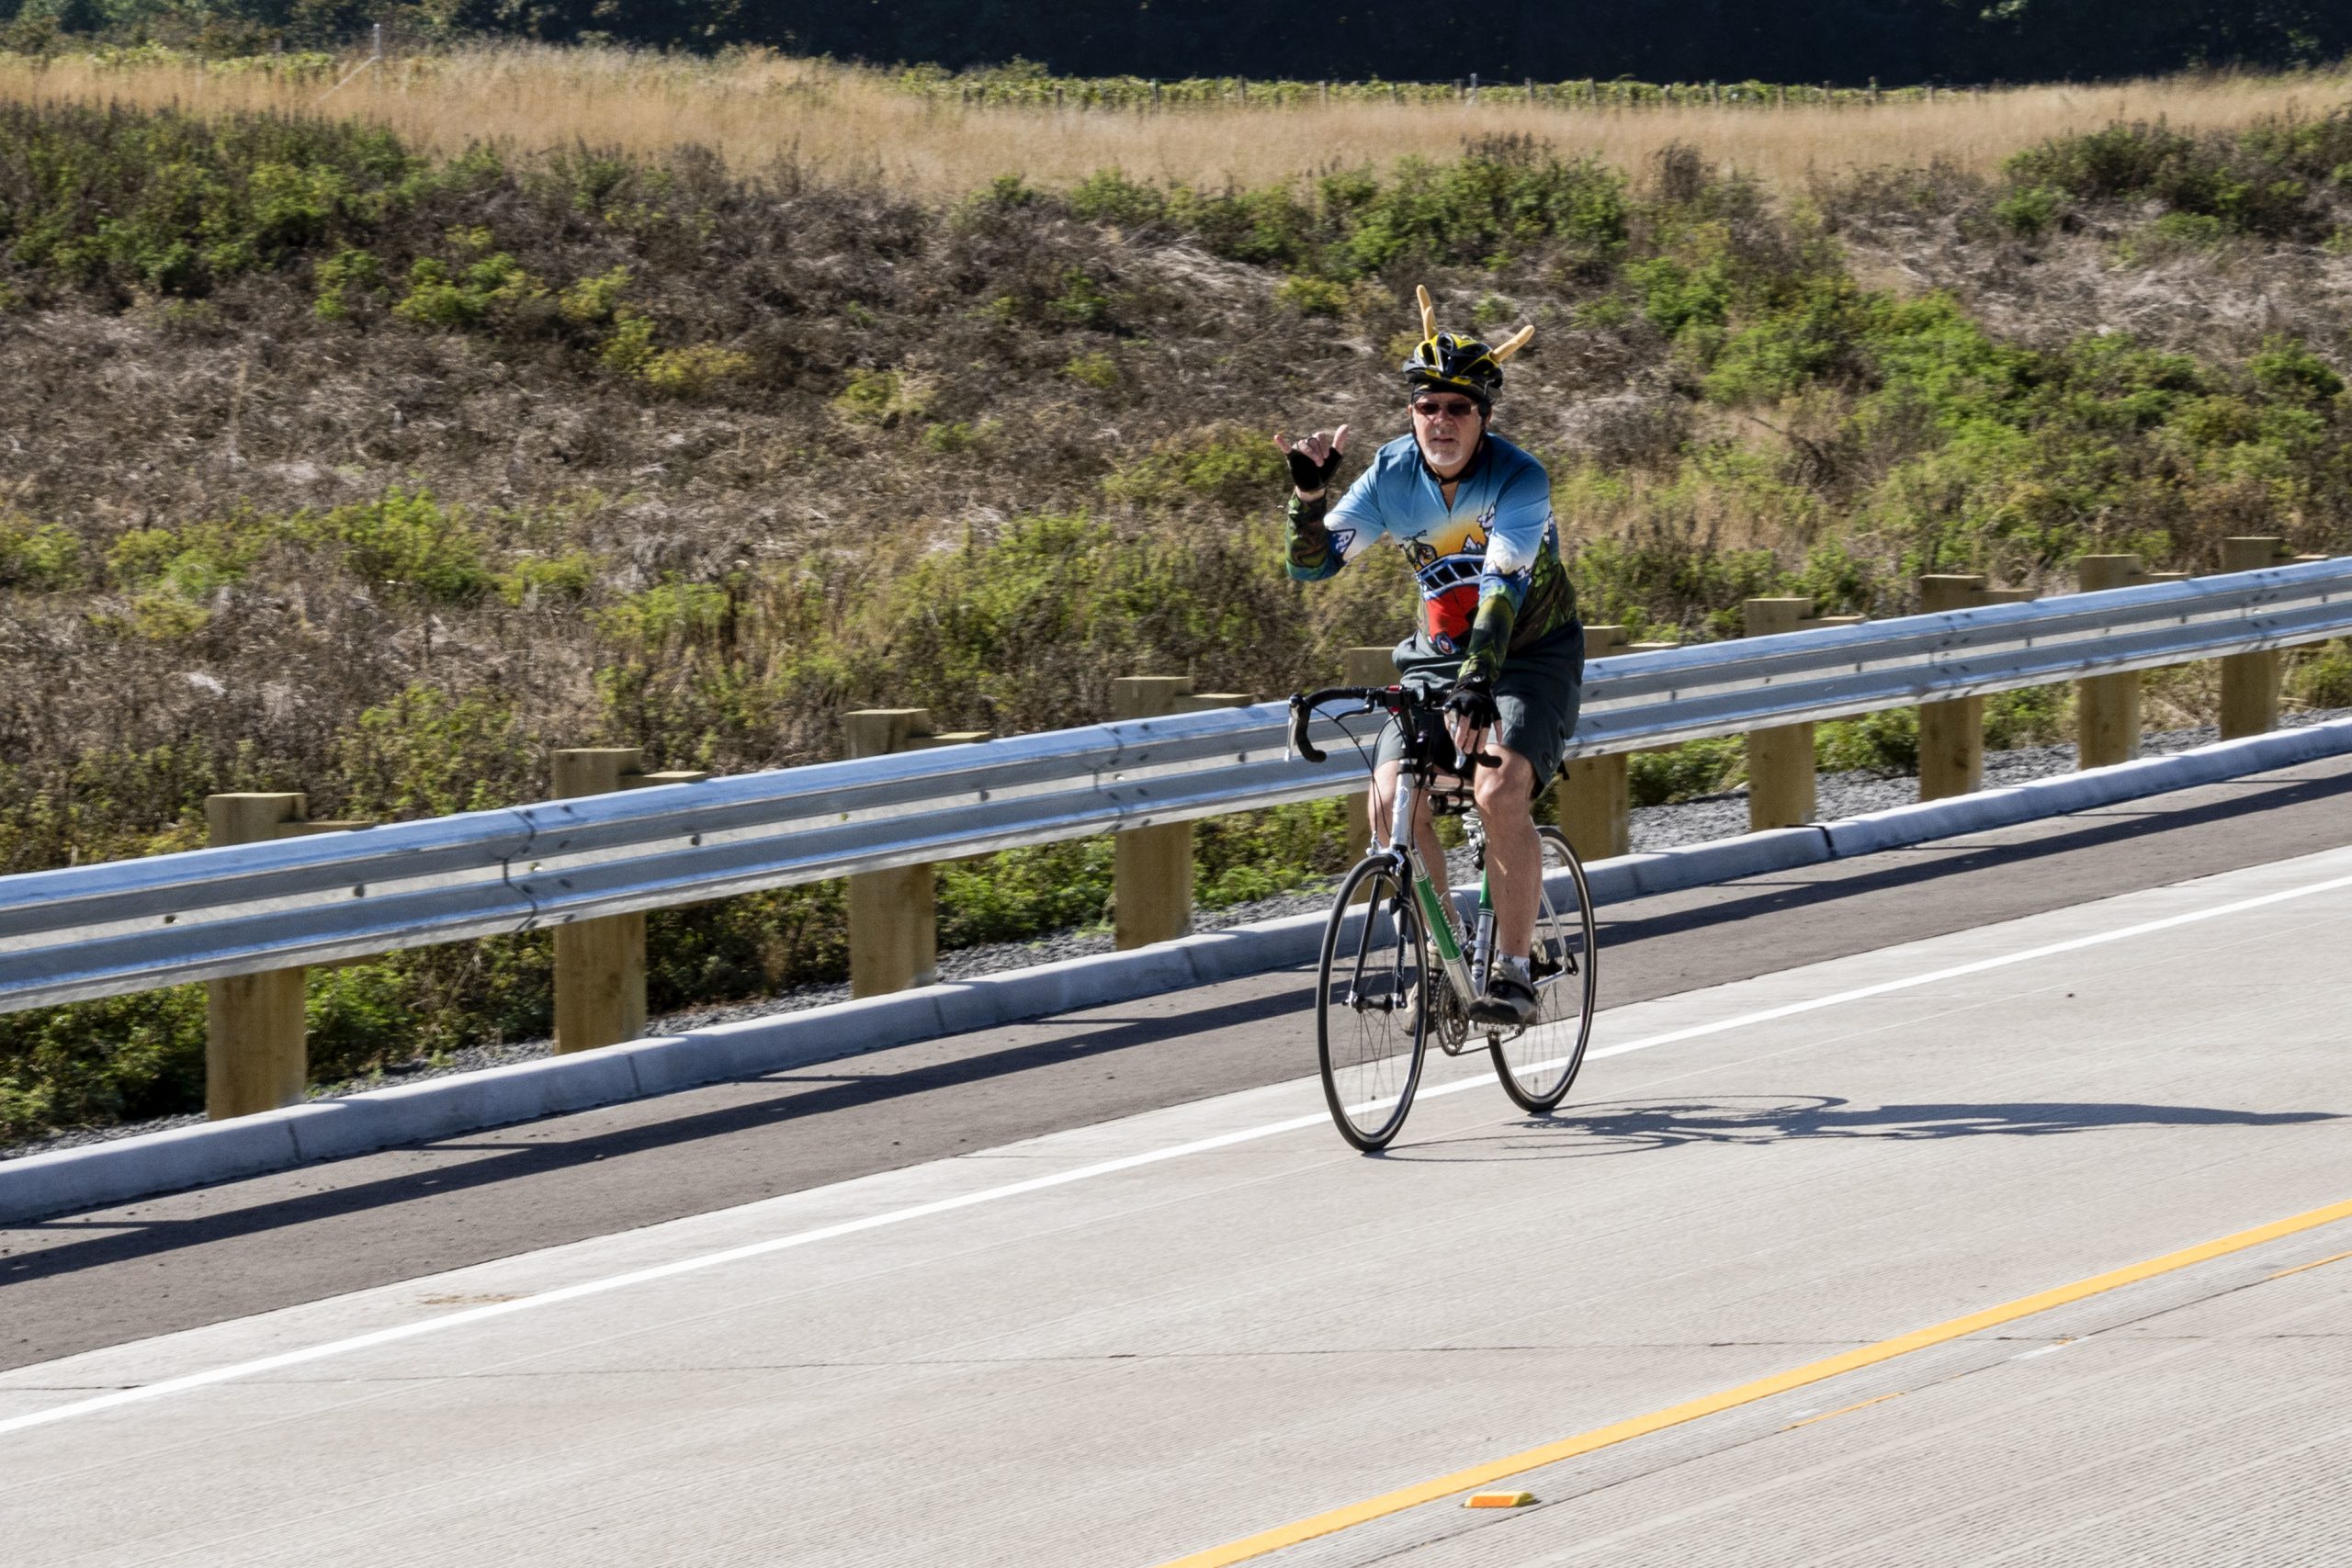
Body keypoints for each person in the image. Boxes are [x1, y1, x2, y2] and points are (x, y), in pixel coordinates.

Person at [1277, 288, 1583, 1029]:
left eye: (1457, 407)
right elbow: (1312, 566)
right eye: (1426, 406)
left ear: (1485, 415)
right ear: (1411, 412)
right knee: (1389, 803)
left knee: (1499, 790)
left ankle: (1512, 972)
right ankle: (1447, 958)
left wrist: (1480, 685)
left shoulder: (1518, 478)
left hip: (1530, 653)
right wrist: (1308, 496)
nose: (1439, 421)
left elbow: (1503, 588)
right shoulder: (1389, 475)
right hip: (1438, 657)